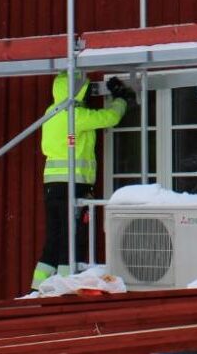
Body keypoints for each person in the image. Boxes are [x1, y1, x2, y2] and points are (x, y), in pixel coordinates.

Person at [34, 73, 132, 289]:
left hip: (52, 186)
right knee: (72, 237)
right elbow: (110, 118)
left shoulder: (51, 113)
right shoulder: (75, 115)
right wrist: (121, 99)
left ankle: (37, 287)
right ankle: (64, 287)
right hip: (74, 185)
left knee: (54, 237)